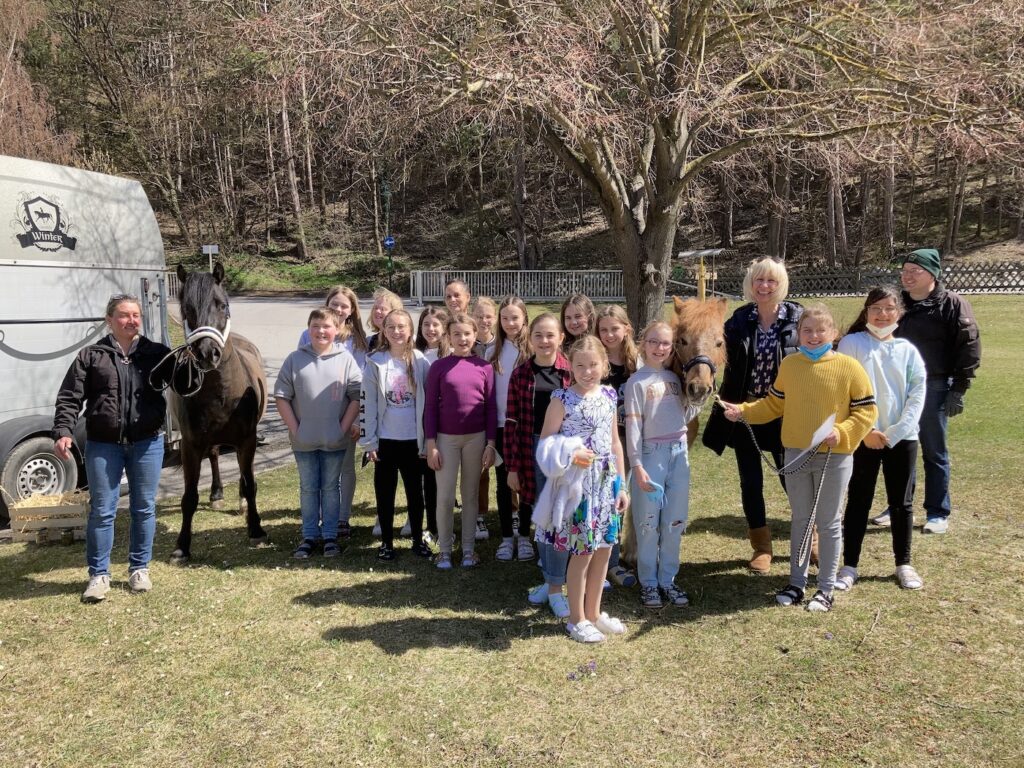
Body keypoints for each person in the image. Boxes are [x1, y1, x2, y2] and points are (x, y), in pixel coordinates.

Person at [720, 304, 877, 613]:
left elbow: (866, 411)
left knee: (828, 522)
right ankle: (796, 583)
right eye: (807, 331)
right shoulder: (790, 365)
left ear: (833, 333)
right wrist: (743, 411)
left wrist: (842, 431)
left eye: (821, 330)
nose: (814, 336)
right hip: (796, 454)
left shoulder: (849, 367)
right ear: (798, 334)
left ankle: (826, 588)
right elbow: (773, 405)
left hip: (834, 456)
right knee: (801, 519)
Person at [52, 293, 172, 603]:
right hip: (104, 446)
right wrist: (64, 430)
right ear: (110, 320)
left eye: (136, 315)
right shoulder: (92, 355)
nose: (132, 320)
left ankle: (139, 569)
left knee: (143, 508)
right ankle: (98, 575)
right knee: (103, 511)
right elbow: (70, 396)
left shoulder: (157, 353)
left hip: (147, 443)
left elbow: (185, 382)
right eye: (124, 315)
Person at [702, 257, 803, 574]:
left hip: (786, 412)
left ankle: (810, 538)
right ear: (751, 284)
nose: (764, 286)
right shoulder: (739, 320)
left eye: (771, 280)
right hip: (746, 411)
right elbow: (717, 350)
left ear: (781, 284)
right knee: (751, 481)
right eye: (759, 280)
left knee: (793, 479)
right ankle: (761, 547)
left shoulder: (798, 318)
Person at [877, 248, 981, 535]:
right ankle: (898, 506)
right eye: (905, 270)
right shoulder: (897, 303)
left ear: (932, 274)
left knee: (934, 451)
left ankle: (937, 512)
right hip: (896, 386)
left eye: (915, 271)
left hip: (934, 385)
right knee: (898, 448)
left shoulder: (952, 304)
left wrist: (958, 389)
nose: (907, 276)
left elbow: (969, 346)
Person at [535, 335, 629, 643]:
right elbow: (545, 444)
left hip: (606, 485)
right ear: (570, 366)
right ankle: (576, 620)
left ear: (604, 365)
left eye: (593, 365)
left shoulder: (609, 396)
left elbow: (615, 444)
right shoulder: (562, 400)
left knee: (604, 549)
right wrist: (571, 454)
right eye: (580, 366)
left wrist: (622, 486)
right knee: (583, 552)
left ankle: (594, 613)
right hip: (578, 488)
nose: (587, 372)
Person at [836, 287, 927, 591]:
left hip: (901, 438)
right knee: (858, 500)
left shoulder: (907, 350)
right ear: (866, 311)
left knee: (901, 502)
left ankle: (904, 563)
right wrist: (866, 431)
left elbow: (917, 394)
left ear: (899, 313)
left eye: (889, 308)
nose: (883, 314)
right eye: (876, 308)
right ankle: (849, 565)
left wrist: (894, 433)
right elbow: (844, 390)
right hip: (863, 438)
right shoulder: (852, 344)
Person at [275, 308, 362, 559]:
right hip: (304, 441)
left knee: (331, 487)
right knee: (308, 488)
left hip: (334, 440)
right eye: (315, 326)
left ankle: (330, 537)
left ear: (337, 329)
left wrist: (342, 428)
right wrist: (296, 429)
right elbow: (282, 397)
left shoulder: (345, 360)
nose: (321, 331)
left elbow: (356, 396)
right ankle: (310, 535)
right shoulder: (295, 359)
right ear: (308, 329)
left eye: (326, 326)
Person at [625, 321, 700, 609]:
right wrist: (637, 465)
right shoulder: (636, 382)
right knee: (647, 523)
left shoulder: (674, 379)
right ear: (643, 344)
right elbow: (634, 427)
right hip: (650, 455)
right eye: (653, 342)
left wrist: (701, 399)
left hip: (678, 454)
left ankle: (668, 579)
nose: (659, 348)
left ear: (672, 348)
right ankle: (649, 582)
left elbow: (685, 415)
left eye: (665, 343)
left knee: (674, 521)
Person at [505, 314, 572, 616]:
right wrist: (513, 467)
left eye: (550, 335)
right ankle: (550, 578)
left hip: (567, 449)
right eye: (538, 336)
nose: (544, 341)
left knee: (563, 515)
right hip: (533, 447)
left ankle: (558, 580)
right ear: (530, 339)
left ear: (561, 338)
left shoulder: (571, 372)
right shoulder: (521, 375)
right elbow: (512, 422)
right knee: (543, 516)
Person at [424, 312, 497, 569]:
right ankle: (444, 550)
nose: (462, 338)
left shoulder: (485, 368)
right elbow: (430, 408)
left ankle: (468, 549)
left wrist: (491, 444)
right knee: (444, 496)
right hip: (446, 440)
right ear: (448, 336)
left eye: (467, 333)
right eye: (457, 334)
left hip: (476, 439)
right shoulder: (439, 367)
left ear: (475, 335)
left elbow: (491, 408)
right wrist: (431, 444)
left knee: (470, 495)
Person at [360, 309, 433, 560]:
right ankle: (387, 543)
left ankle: (417, 540)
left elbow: (429, 405)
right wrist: (369, 442)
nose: (396, 331)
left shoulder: (420, 361)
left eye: (402, 326)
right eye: (390, 327)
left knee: (415, 494)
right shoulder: (375, 362)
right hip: (385, 441)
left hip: (413, 441)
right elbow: (368, 403)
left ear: (410, 330)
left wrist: (427, 441)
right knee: (385, 493)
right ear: (383, 331)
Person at [297, 285, 368, 538]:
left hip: (345, 413)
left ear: (352, 311)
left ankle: (341, 518)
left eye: (344, 306)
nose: (338, 309)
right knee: (317, 468)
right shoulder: (308, 335)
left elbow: (360, 384)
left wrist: (357, 420)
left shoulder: (357, 341)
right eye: (334, 304)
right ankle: (318, 517)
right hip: (314, 414)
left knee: (344, 467)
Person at [595, 304, 639, 587]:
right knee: (601, 500)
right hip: (601, 442)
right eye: (603, 330)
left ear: (627, 329)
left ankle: (614, 559)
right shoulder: (596, 362)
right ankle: (599, 559)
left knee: (620, 497)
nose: (609, 335)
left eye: (615, 328)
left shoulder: (638, 363)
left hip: (630, 439)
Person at [490, 296, 532, 562]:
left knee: (526, 482)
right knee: (504, 482)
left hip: (526, 426)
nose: (510, 323)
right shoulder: (493, 352)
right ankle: (507, 537)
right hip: (500, 426)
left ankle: (525, 535)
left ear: (524, 318)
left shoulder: (532, 351)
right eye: (504, 318)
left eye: (515, 317)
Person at [414, 305, 450, 543]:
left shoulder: (450, 354)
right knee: (424, 477)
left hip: (444, 424)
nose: (430, 329)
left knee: (440, 477)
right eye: (426, 324)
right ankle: (429, 525)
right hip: (418, 423)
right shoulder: (414, 354)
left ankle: (443, 525)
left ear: (445, 328)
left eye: (435, 324)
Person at [472, 296, 499, 541]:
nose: (483, 320)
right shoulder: (465, 344)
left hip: (501, 413)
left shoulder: (501, 344)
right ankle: (478, 514)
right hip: (475, 414)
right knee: (478, 468)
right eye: (479, 316)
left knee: (505, 465)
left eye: (488, 316)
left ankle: (512, 511)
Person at [366, 288, 404, 354]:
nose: (377, 311)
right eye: (375, 308)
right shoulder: (368, 342)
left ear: (394, 312)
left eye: (383, 309)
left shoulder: (405, 341)